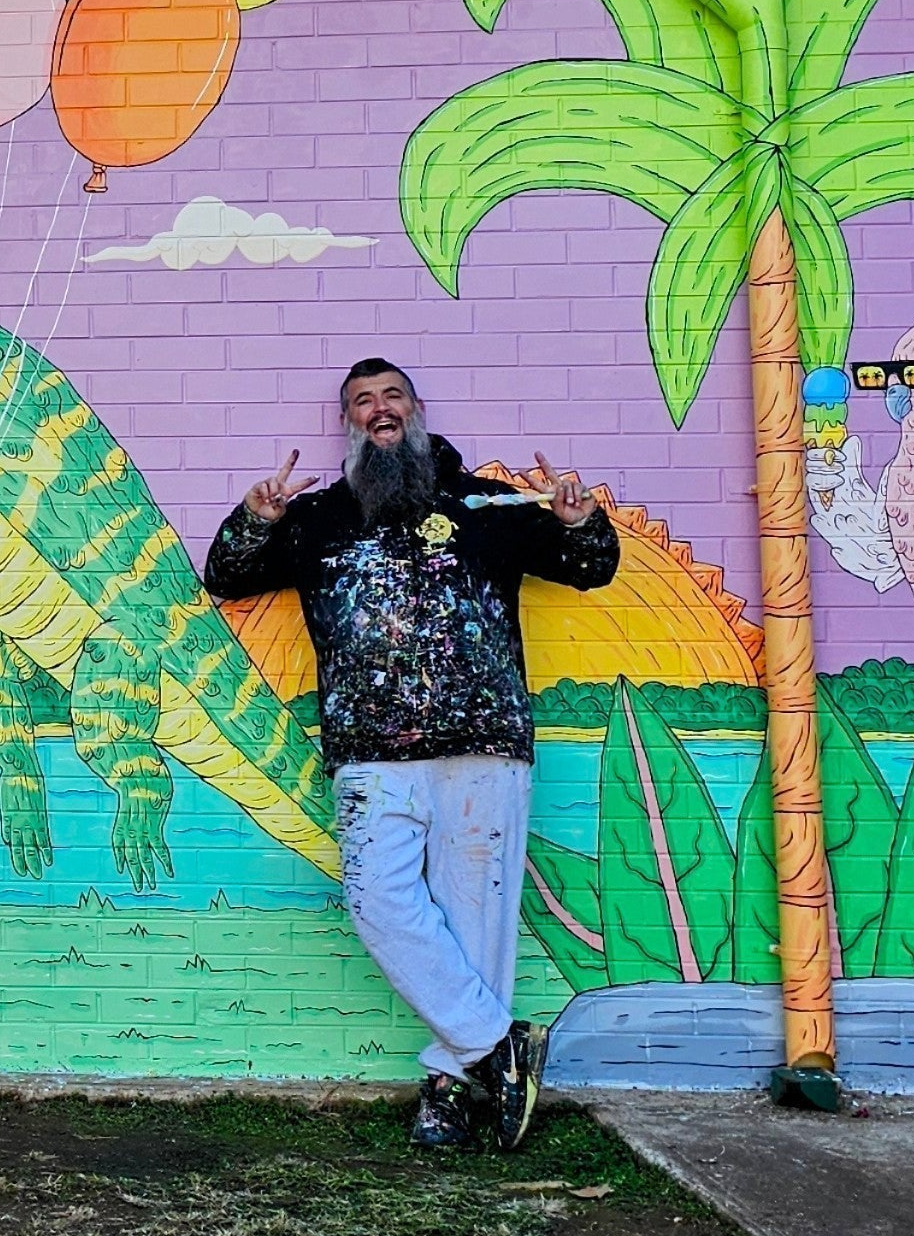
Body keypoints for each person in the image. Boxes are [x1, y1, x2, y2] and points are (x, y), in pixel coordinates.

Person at [203, 359, 618, 1151]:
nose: (377, 409)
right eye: (361, 402)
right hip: (368, 751)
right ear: (349, 426)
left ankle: (453, 1086)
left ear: (416, 411)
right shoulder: (317, 517)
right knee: (379, 903)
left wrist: (576, 521)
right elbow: (228, 577)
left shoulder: (487, 505)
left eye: (390, 395)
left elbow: (590, 568)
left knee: (476, 921)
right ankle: (499, 1048)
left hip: (484, 744)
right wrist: (254, 517)